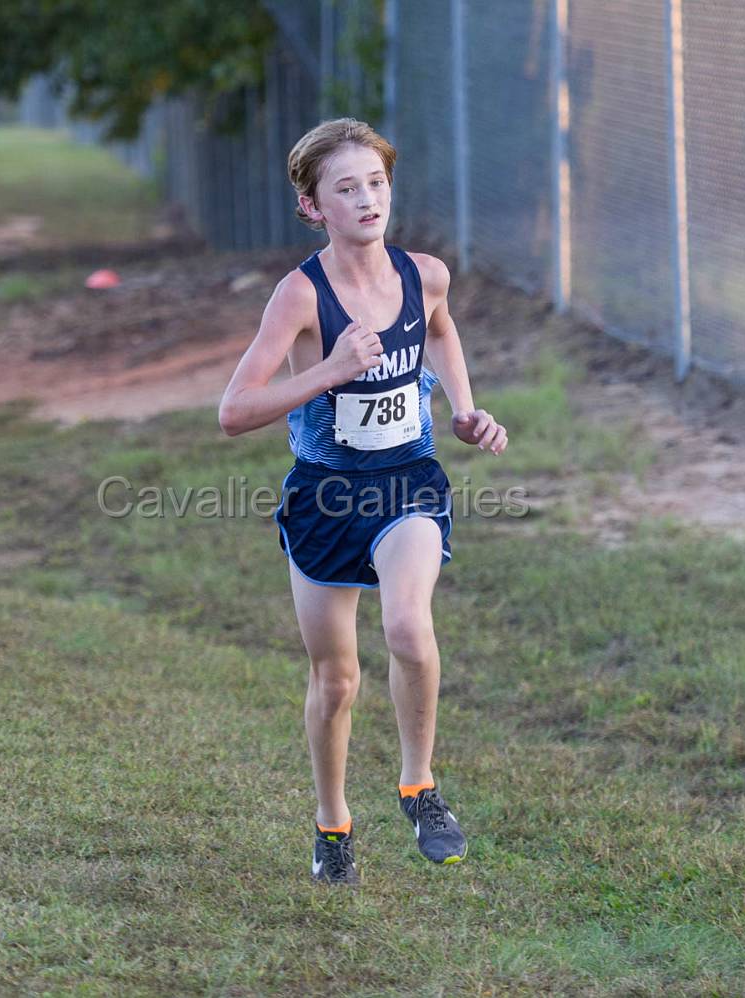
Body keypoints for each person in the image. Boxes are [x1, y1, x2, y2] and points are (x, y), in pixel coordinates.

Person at [219, 118, 509, 885]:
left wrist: (463, 407)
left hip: (409, 479)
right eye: (346, 189)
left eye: (376, 182)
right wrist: (330, 369)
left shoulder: (426, 274)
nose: (367, 199)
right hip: (325, 495)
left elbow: (441, 332)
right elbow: (234, 410)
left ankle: (420, 788)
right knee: (337, 680)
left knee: (410, 627)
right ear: (314, 207)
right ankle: (333, 824)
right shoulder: (299, 296)